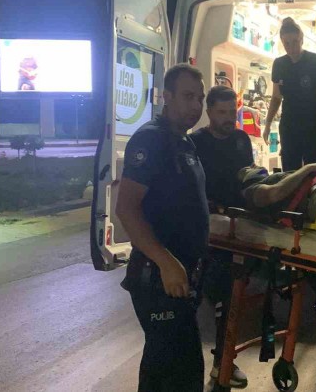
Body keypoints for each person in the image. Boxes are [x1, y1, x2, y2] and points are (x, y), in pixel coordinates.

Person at [115, 63, 208, 392]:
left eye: (200, 98)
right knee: (174, 372)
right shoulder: (151, 140)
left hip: (182, 276)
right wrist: (166, 262)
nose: (196, 106)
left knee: (173, 370)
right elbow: (126, 209)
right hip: (158, 277)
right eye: (188, 97)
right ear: (167, 97)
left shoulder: (183, 142)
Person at [189, 85, 252, 388]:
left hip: (236, 229)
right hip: (204, 230)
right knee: (198, 301)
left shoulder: (241, 140)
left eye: (233, 112)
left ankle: (222, 363)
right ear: (210, 112)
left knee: (228, 299)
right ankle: (192, 369)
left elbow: (248, 181)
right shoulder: (195, 142)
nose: (229, 118)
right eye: (223, 112)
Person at [263, 17, 316, 171]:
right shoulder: (279, 64)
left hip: (313, 125)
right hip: (289, 125)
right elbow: (276, 97)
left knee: (315, 170)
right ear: (282, 42)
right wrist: (268, 124)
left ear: (301, 39)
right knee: (290, 171)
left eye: (295, 42)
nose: (291, 47)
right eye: (287, 43)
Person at [238, 163, 316, 228]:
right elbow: (276, 193)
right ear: (244, 180)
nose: (254, 164)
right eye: (249, 167)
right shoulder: (250, 191)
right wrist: (308, 168)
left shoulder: (273, 179)